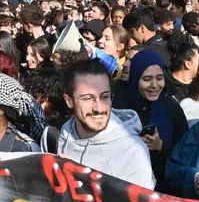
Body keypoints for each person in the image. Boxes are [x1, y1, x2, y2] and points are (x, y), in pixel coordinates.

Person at [51, 60, 155, 188]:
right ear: (69, 101)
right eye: (88, 98)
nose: (99, 108)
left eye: (105, 97)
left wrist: (78, 180)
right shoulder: (59, 135)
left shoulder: (134, 152)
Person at [114, 51, 188, 192]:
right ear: (135, 78)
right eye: (147, 79)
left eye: (159, 78)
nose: (154, 85)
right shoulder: (121, 108)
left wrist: (160, 146)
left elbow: (185, 155)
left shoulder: (173, 111)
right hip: (126, 188)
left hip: (164, 191)